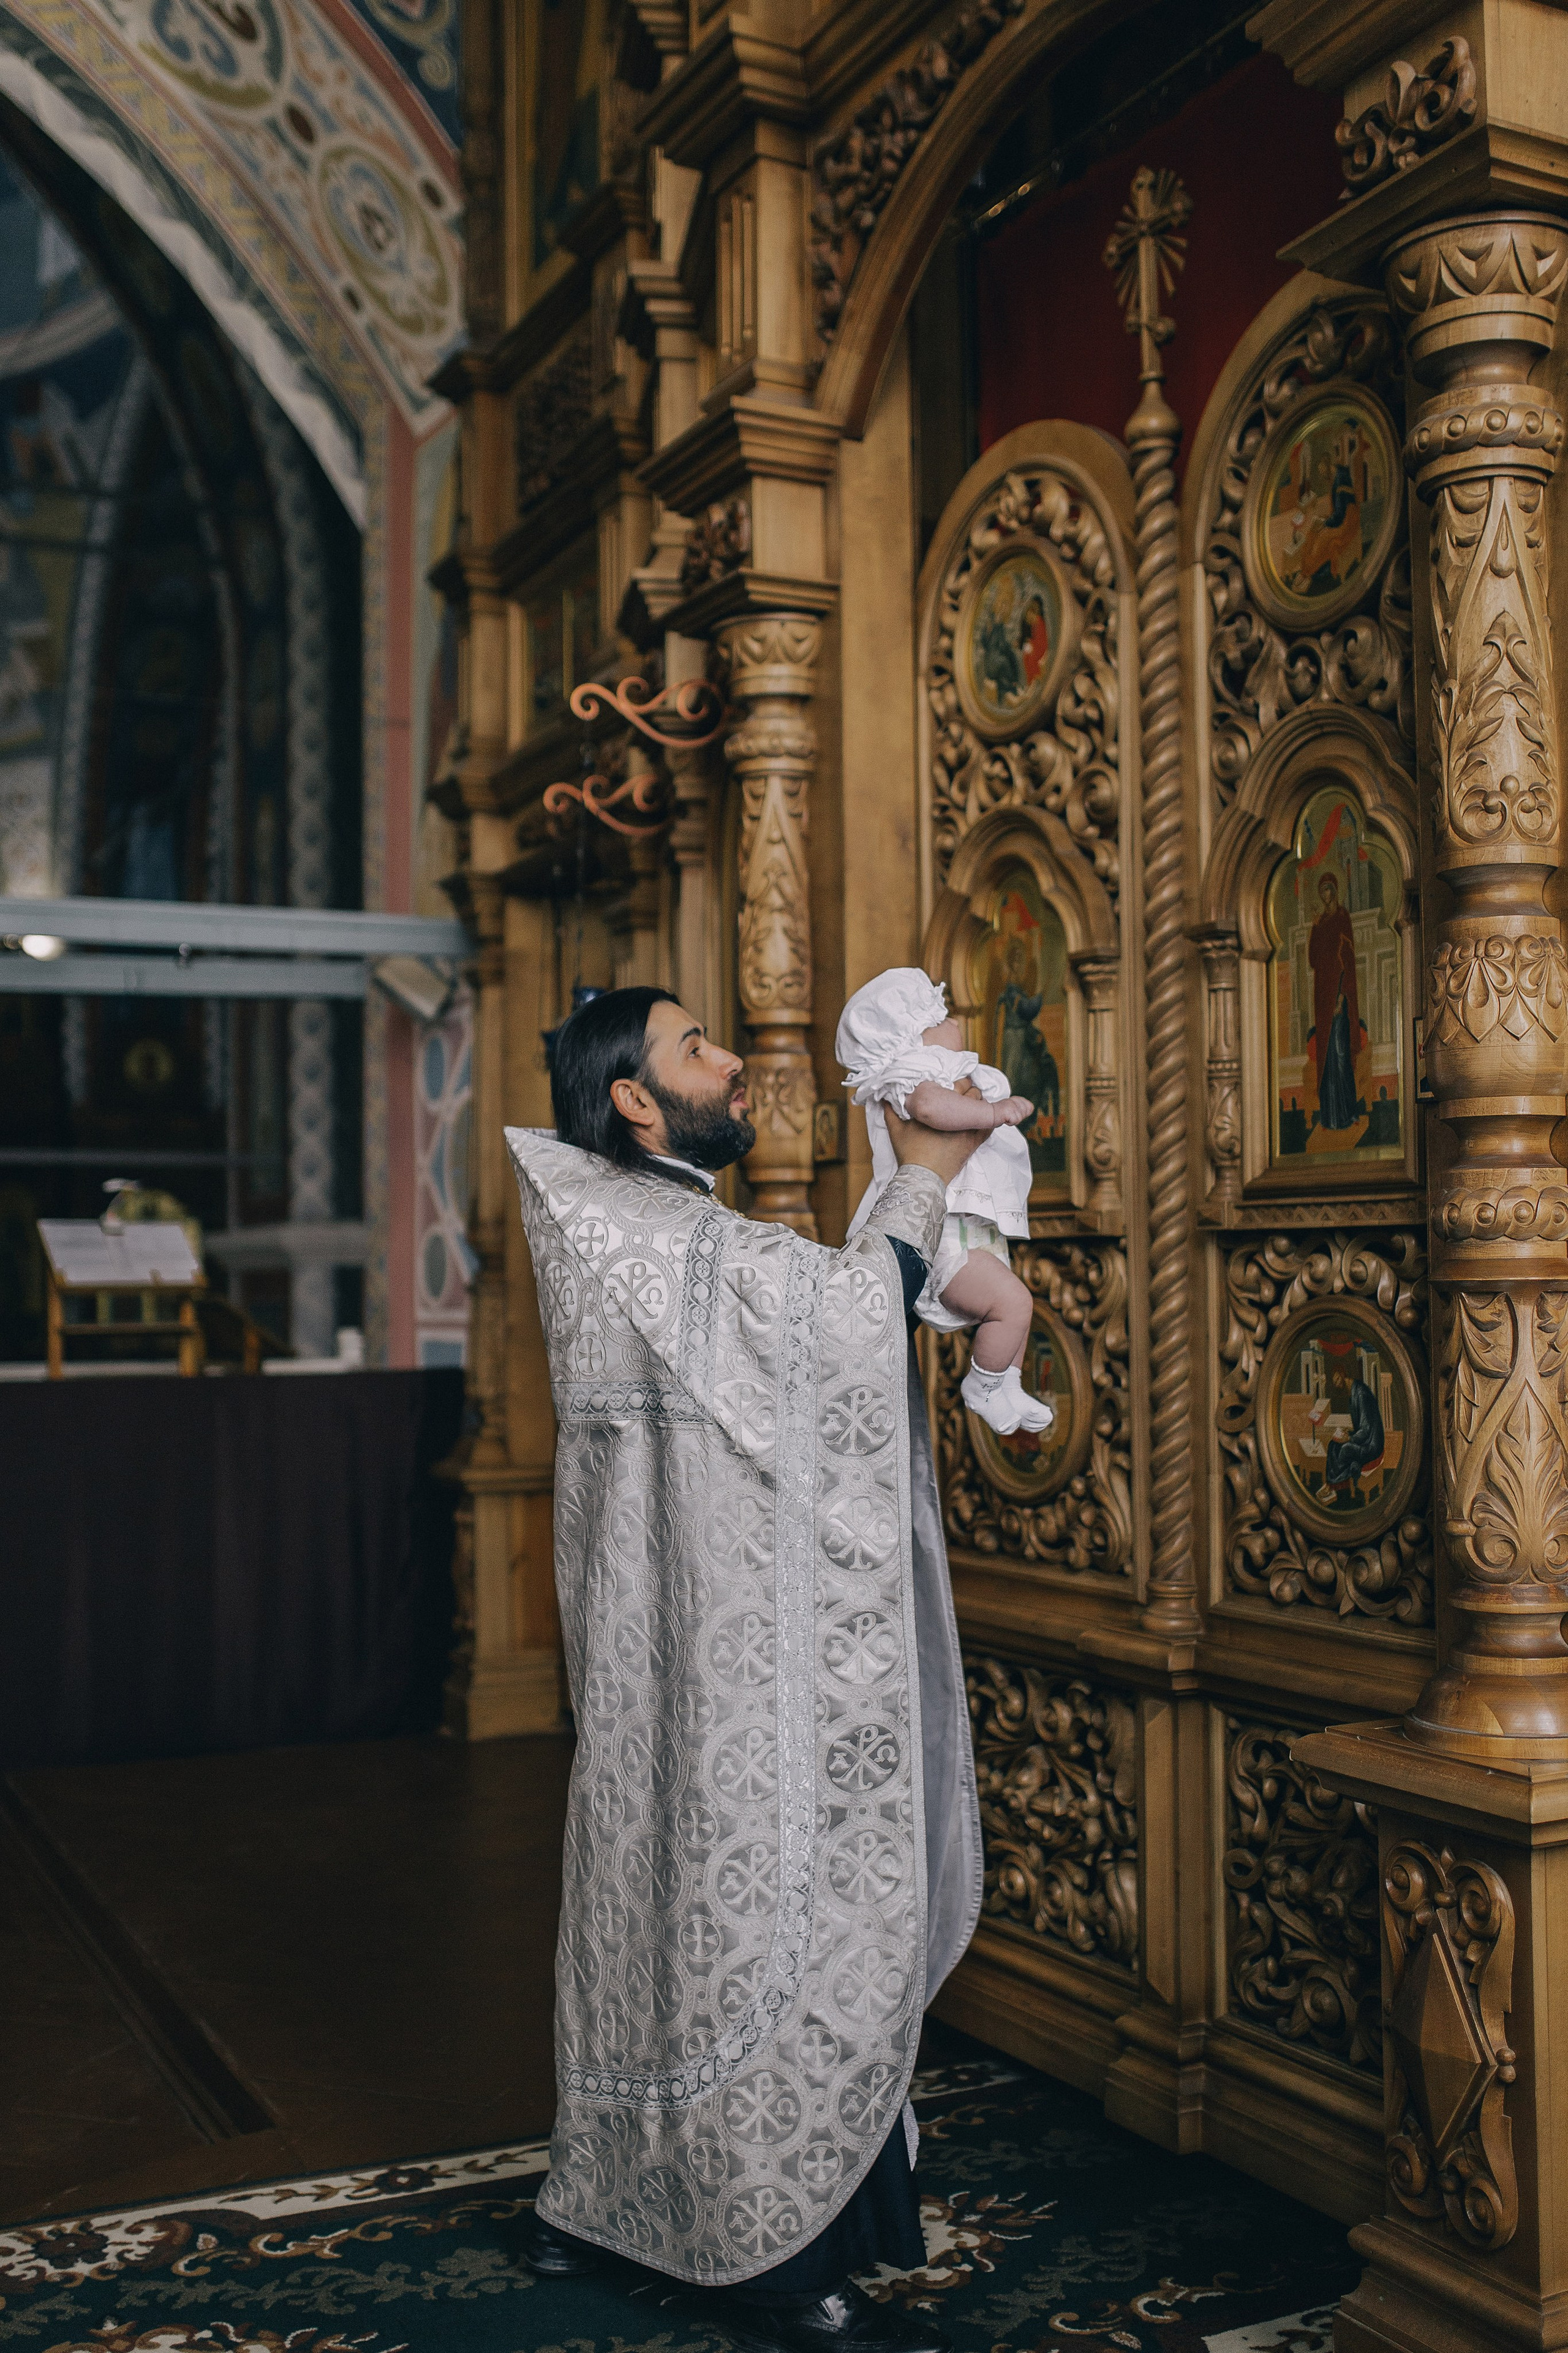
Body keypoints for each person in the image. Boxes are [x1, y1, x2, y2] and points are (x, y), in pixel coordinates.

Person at [508, 985, 985, 2353]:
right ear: (635, 1101)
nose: (737, 1065)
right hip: (712, 1667)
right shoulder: (637, 1226)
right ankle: (763, 2249)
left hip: (682, 1642)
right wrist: (924, 1175)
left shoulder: (641, 1226)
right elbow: (844, 1315)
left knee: (648, 1911)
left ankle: (593, 2202)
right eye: (697, 1050)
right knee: (720, 1913)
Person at [836, 967, 1052, 1440]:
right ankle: (984, 1384)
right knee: (1014, 1302)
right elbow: (933, 1108)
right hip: (941, 1243)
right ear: (912, 1036)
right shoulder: (908, 1077)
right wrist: (992, 1112)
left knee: (1015, 1307)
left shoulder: (946, 1072)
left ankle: (1006, 1384)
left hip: (967, 1233)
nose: (956, 1021)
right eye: (943, 1015)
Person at [1307, 872, 1362, 1132]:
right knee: (1326, 1058)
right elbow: (1312, 960)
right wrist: (1314, 929)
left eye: (1329, 890)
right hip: (1322, 996)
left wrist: (1342, 995)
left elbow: (1348, 961)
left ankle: (1348, 1113)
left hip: (1338, 997)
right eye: (1322, 891)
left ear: (1335, 891)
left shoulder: (1342, 918)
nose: (1325, 895)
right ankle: (1330, 1117)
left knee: (1340, 1054)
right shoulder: (1321, 923)